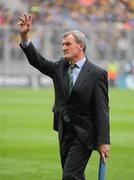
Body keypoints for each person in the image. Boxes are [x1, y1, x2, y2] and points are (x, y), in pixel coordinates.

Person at [18, 14, 110, 180]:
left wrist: (103, 141)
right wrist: (25, 37)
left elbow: (102, 109)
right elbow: (37, 61)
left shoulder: (97, 73)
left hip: (84, 134)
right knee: (75, 176)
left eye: (68, 44)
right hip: (63, 131)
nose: (63, 48)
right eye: (62, 45)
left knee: (69, 176)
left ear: (81, 46)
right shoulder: (59, 67)